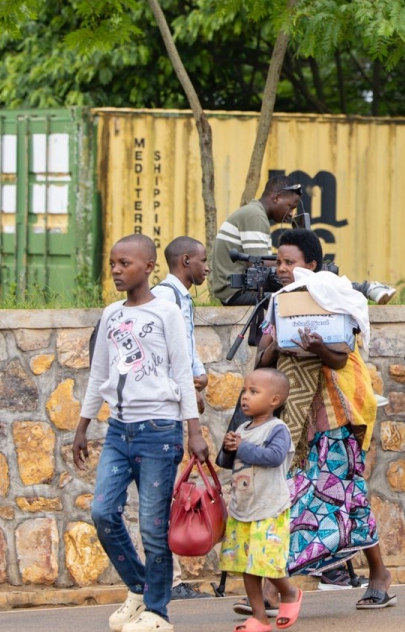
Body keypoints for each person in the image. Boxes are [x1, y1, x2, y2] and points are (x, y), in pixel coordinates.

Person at [251, 228, 395, 610]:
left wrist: (317, 347)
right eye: (278, 261)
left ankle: (373, 574)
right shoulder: (279, 305)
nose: (281, 268)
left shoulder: (331, 299)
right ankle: (279, 587)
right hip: (297, 421)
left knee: (344, 493)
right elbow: (261, 362)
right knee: (299, 495)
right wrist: (275, 345)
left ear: (311, 265)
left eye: (290, 262)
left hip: (334, 416)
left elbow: (341, 358)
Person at [72, 234, 208, 632]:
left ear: (148, 267)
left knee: (152, 527)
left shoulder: (167, 312)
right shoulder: (111, 314)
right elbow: (99, 373)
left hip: (159, 432)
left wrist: (194, 431)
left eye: (125, 263)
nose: (116, 270)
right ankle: (139, 586)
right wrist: (83, 425)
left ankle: (158, 612)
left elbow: (182, 373)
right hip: (118, 430)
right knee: (102, 512)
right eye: (113, 264)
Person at [149, 236, 214, 601]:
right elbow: (163, 356)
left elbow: (186, 350)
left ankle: (169, 581)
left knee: (168, 495)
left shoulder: (181, 298)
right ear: (186, 260)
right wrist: (187, 386)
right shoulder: (165, 297)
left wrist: (198, 378)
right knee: (163, 498)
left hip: (177, 406)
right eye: (203, 260)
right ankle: (168, 583)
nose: (207, 267)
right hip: (163, 412)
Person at [220, 368, 302, 632]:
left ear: (274, 400)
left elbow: (274, 457)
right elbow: (231, 462)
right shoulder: (241, 428)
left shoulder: (278, 429)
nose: (245, 396)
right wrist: (229, 447)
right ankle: (259, 618)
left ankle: (288, 592)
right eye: (244, 390)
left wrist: (241, 446)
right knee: (246, 565)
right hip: (243, 509)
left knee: (265, 562)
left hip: (269, 508)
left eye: (254, 392)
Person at [209, 175, 302, 305]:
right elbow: (258, 265)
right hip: (235, 293)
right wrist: (297, 266)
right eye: (290, 206)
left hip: (237, 291)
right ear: (276, 198)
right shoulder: (255, 215)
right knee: (294, 299)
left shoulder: (255, 213)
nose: (292, 213)